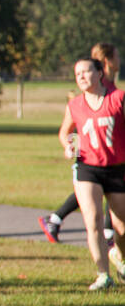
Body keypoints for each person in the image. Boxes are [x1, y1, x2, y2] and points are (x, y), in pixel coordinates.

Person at [40, 42, 121, 254]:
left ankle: (58, 219)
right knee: (92, 185)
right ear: (107, 61)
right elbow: (70, 128)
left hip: (114, 160)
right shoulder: (100, 89)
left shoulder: (116, 91)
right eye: (117, 56)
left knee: (103, 192)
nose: (120, 60)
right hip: (92, 160)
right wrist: (70, 145)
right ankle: (105, 236)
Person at [57, 55, 125, 289]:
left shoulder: (118, 99)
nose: (82, 77)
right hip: (88, 168)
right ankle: (103, 275)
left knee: (122, 227)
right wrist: (69, 146)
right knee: (93, 220)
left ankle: (120, 258)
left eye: (86, 72)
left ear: (99, 74)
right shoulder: (74, 104)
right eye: (78, 74)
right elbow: (67, 131)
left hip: (117, 168)